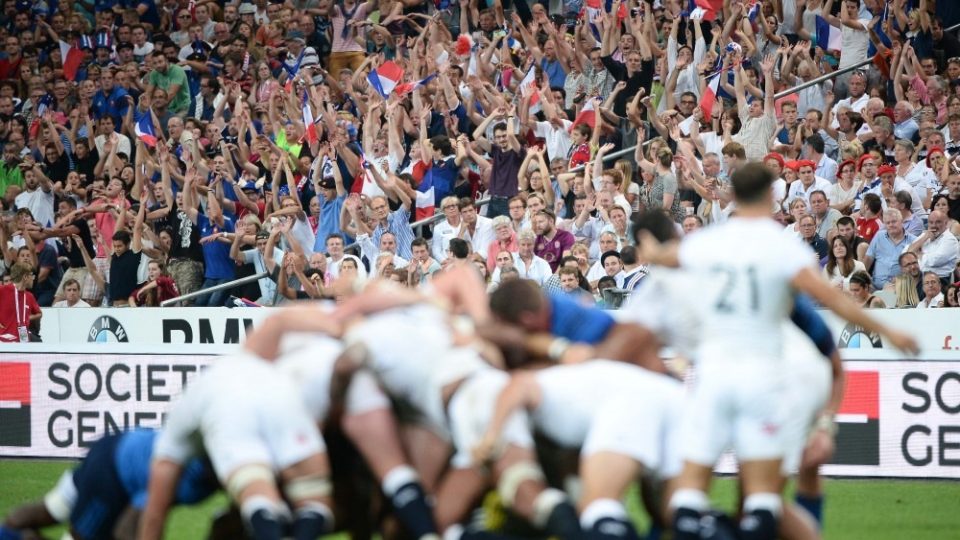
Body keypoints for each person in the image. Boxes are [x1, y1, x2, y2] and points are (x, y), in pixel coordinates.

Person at [638, 163, 916, 540]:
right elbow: (831, 298)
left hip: (712, 374)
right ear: (771, 195)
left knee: (688, 493)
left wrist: (651, 249)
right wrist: (890, 330)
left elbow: (665, 258)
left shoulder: (706, 242)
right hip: (762, 379)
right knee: (762, 500)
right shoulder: (783, 246)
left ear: (731, 195)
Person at [0, 429, 217, 540]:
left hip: (116, 446)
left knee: (53, 509)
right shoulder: (185, 478)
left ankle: (8, 530)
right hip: (112, 476)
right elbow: (127, 528)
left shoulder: (217, 458)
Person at [863, 209, 918, 290]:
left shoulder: (913, 240)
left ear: (902, 221)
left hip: (900, 286)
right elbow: (868, 259)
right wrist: (864, 278)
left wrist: (900, 281)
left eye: (894, 221)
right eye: (888, 223)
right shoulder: (879, 236)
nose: (891, 225)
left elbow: (915, 268)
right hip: (874, 285)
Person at [0, 263, 40, 342]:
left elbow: (38, 313)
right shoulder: (3, 290)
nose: (33, 278)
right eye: (32, 275)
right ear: (25, 277)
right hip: (5, 341)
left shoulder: (29, 296)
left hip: (23, 338)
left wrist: (26, 318)